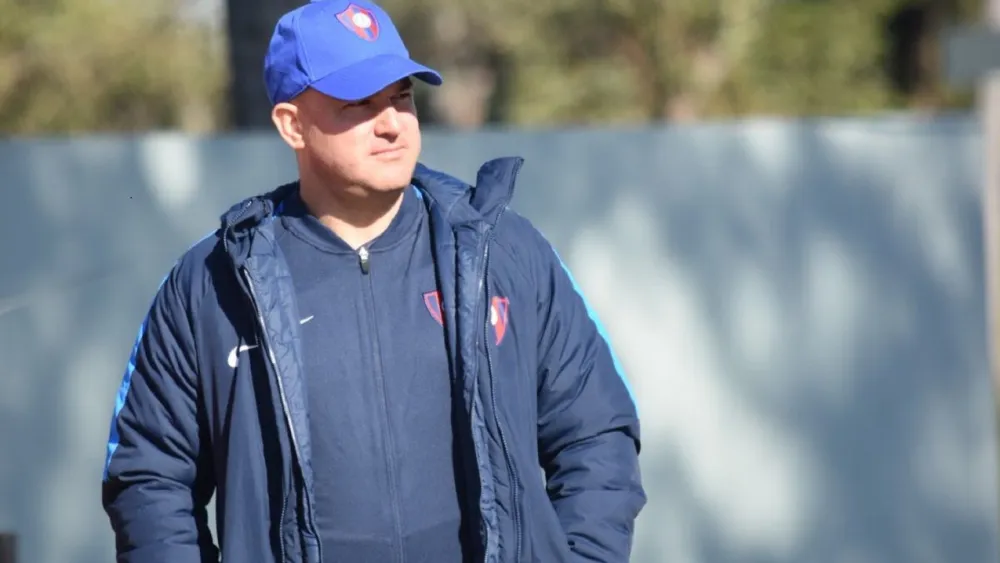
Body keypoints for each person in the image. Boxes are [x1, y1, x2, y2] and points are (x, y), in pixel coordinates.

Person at [100, 0, 645, 561]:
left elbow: (597, 433)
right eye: (359, 103)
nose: (391, 124)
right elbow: (149, 478)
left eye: (401, 97)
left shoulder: (503, 253)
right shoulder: (214, 284)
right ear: (292, 125)